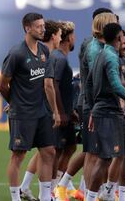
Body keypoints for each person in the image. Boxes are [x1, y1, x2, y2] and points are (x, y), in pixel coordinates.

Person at [84, 22, 125, 201]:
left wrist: (92, 108)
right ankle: (91, 197)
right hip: (107, 113)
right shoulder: (111, 57)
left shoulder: (101, 54)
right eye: (123, 36)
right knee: (105, 158)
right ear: (118, 37)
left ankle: (114, 194)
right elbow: (116, 85)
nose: (124, 40)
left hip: (112, 112)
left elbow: (89, 83)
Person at [55, 12, 118, 201]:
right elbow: (94, 81)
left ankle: (84, 190)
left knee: (93, 152)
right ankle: (85, 192)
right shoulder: (95, 49)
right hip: (95, 105)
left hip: (90, 104)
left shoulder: (91, 45)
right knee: (94, 153)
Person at [0, 12, 60, 201]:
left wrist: (54, 111)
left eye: (43, 26)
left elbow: (47, 84)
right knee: (19, 155)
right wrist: (14, 102)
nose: (43, 29)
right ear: (27, 28)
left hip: (41, 112)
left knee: (49, 151)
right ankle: (16, 198)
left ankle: (45, 196)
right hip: (23, 113)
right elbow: (2, 85)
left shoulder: (43, 51)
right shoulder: (16, 53)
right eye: (39, 26)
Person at [19, 19, 62, 201]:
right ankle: (48, 191)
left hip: (41, 108)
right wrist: (58, 111)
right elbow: (48, 85)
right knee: (48, 150)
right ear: (54, 36)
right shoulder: (49, 55)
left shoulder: (45, 52)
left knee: (47, 150)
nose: (60, 38)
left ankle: (28, 188)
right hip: (41, 110)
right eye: (59, 35)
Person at [49, 20, 77, 197]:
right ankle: (53, 189)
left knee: (70, 148)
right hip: (61, 114)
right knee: (57, 151)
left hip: (67, 111)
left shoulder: (61, 57)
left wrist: (70, 109)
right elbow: (54, 84)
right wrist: (59, 112)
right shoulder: (59, 58)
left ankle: (59, 186)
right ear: (69, 38)